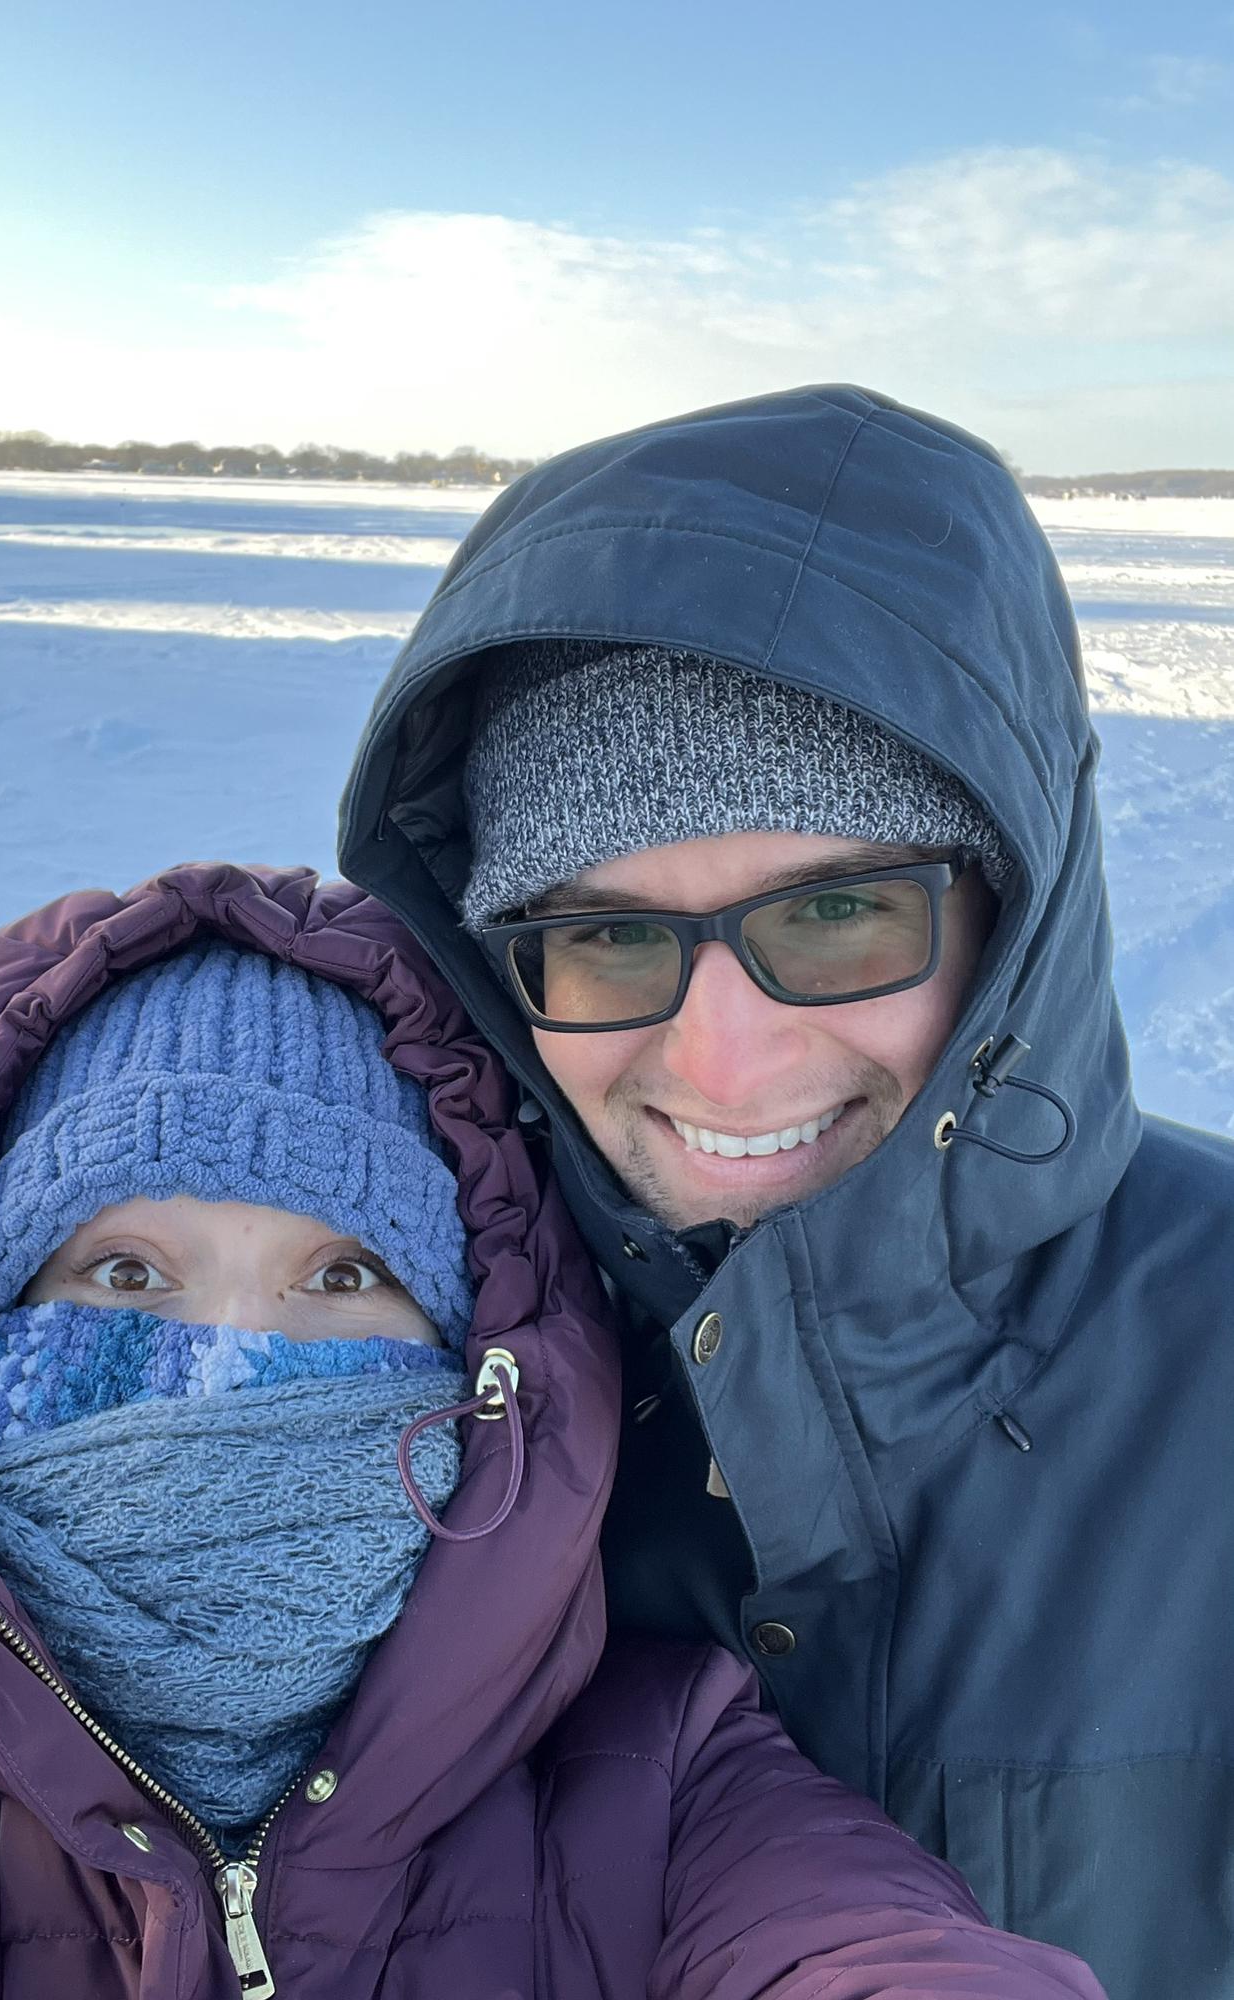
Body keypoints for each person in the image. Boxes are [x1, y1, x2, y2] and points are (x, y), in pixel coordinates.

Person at [0, 862, 1104, 2000]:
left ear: (480, 1370)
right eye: (126, 1275)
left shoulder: (665, 1782)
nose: (230, 1363)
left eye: (343, 1279)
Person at [337, 383, 1234, 1996]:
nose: (727, 1066)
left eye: (834, 919)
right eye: (603, 937)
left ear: (1009, 907)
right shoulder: (401, 1357)